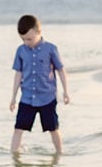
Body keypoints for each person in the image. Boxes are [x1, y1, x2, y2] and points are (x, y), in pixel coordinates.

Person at [9, 13, 70, 154]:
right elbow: (18, 73)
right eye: (23, 39)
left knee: (53, 128)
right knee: (18, 129)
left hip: (47, 97)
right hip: (27, 98)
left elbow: (61, 70)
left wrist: (66, 92)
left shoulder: (50, 49)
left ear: (38, 32)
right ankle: (13, 156)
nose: (26, 42)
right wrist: (13, 97)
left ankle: (59, 154)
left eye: (29, 39)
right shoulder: (21, 50)